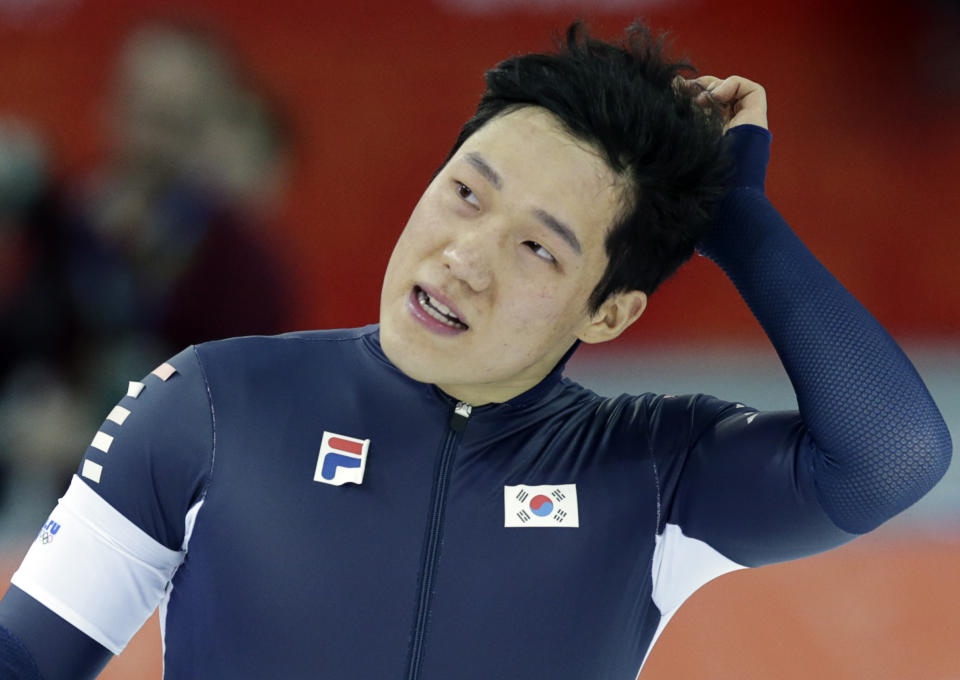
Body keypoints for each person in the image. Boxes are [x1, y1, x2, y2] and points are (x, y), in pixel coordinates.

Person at [0, 20, 951, 680]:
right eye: (465, 192)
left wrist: (739, 221)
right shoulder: (210, 403)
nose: (464, 257)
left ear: (610, 314)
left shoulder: (653, 473)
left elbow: (891, 457)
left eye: (537, 247)